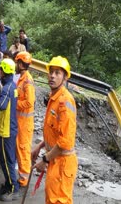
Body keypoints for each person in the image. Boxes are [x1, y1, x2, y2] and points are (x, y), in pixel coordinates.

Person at [32, 56, 77, 204]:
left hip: (62, 162)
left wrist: (45, 160)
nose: (52, 75)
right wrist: (39, 146)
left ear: (65, 77)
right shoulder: (54, 98)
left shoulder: (65, 101)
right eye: (51, 72)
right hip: (55, 160)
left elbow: (65, 142)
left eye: (57, 72)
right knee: (51, 199)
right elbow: (54, 132)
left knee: (58, 201)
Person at [0, 58, 19, 202]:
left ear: (5, 71)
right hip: (9, 128)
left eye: (1, 69)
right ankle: (8, 185)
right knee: (7, 159)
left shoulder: (7, 88)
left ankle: (13, 189)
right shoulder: (11, 85)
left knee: (7, 161)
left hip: (5, 129)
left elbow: (0, 104)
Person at [14, 52, 35, 187]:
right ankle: (22, 176)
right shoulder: (22, 78)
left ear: (21, 64)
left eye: (17, 63)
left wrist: (14, 102)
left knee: (23, 149)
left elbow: (29, 102)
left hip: (25, 123)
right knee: (20, 149)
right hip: (20, 121)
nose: (16, 65)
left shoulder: (27, 80)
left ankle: (24, 179)